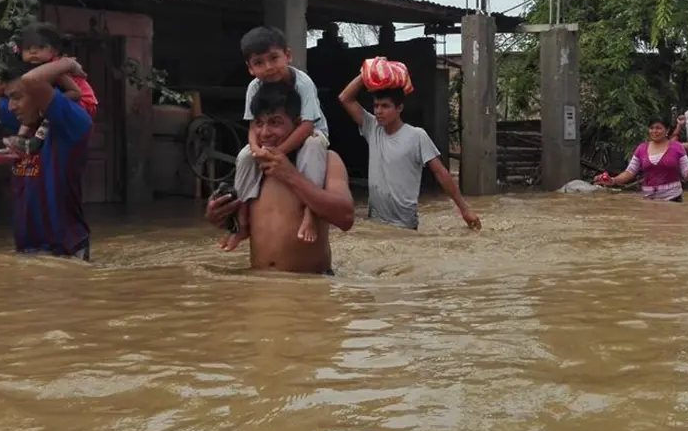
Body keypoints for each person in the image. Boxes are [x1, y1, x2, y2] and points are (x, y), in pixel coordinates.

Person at [205, 80, 354, 275]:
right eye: (258, 123)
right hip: (259, 285)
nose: (265, 133)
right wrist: (216, 216)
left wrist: (290, 175)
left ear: (298, 124)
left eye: (275, 122)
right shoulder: (253, 166)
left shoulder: (327, 160)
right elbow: (241, 224)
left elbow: (346, 217)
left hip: (310, 288)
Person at [0, 56, 93, 259]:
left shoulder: (71, 122)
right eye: (9, 97)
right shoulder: (25, 121)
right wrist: (15, 77)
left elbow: (32, 80)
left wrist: (69, 64)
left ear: (42, 94)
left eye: (17, 97)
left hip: (66, 255)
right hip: (28, 253)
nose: (10, 106)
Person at [225, 26, 330, 251]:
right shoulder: (254, 87)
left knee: (314, 144)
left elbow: (308, 124)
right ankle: (242, 223)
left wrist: (279, 153)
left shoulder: (302, 83)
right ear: (250, 68)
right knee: (244, 156)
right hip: (273, 138)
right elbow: (253, 124)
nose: (269, 67)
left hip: (308, 131)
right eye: (259, 62)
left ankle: (310, 214)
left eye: (274, 58)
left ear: (288, 56)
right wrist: (255, 149)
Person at [338, 72, 481, 231]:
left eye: (385, 106)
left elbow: (442, 174)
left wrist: (465, 210)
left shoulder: (417, 136)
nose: (378, 111)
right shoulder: (373, 128)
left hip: (404, 224)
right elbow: (345, 98)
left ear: (399, 108)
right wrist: (367, 73)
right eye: (376, 106)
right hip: (375, 223)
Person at [0, 22, 98, 165]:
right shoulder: (35, 70)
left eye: (40, 47)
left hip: (83, 103)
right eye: (28, 49)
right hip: (66, 101)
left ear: (55, 51)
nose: (33, 52)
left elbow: (76, 93)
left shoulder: (55, 68)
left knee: (42, 107)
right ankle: (19, 143)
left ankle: (33, 142)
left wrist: (48, 104)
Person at [596, 118, 688, 201]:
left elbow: (687, 174)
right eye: (651, 128)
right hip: (649, 199)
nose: (654, 131)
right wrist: (613, 180)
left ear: (667, 130)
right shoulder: (641, 149)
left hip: (673, 198)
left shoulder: (677, 147)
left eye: (658, 128)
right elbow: (629, 172)